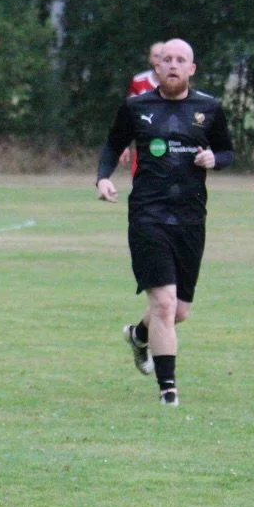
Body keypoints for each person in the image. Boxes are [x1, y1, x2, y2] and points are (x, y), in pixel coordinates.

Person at [96, 38, 234, 406]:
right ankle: (168, 390)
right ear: (157, 67)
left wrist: (214, 160)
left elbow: (227, 151)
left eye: (181, 60)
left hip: (190, 218)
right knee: (164, 306)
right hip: (147, 215)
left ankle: (139, 335)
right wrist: (103, 177)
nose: (173, 65)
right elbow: (113, 145)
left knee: (179, 311)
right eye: (167, 59)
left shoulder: (210, 108)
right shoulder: (136, 107)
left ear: (192, 68)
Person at [119, 41, 166, 173]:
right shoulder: (139, 82)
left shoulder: (177, 82)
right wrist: (124, 144)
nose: (159, 60)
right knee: (141, 188)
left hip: (171, 146)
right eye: (156, 56)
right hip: (144, 145)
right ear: (150, 59)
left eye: (163, 56)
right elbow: (129, 115)